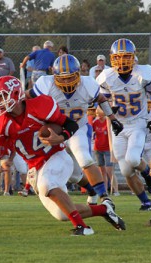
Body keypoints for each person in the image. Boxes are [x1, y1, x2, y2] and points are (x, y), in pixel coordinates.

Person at [0, 76, 125, 235]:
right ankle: (104, 210)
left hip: (56, 156)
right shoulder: (0, 122)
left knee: (48, 184)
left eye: (1, 97)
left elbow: (70, 124)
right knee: (62, 213)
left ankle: (83, 228)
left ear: (16, 94)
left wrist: (61, 137)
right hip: (35, 167)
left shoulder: (40, 105)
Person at [26, 54, 124, 205]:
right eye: (63, 78)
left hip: (78, 128)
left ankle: (105, 197)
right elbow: (27, 98)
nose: (66, 81)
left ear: (78, 74)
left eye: (70, 77)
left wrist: (113, 118)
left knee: (84, 158)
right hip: (55, 131)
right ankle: (91, 190)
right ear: (54, 75)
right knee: (72, 174)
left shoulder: (88, 84)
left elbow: (101, 99)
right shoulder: (46, 83)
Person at [96, 38, 151, 211]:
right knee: (126, 171)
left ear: (133, 57)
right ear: (112, 59)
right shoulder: (106, 78)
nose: (123, 61)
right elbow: (99, 110)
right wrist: (109, 111)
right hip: (118, 126)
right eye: (119, 57)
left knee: (133, 158)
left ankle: (148, 177)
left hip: (137, 123)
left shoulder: (142, 75)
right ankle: (146, 202)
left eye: (126, 57)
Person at [92, 107, 114, 196]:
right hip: (98, 148)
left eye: (100, 115)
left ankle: (115, 190)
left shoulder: (108, 122)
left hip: (107, 149)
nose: (99, 116)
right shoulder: (95, 122)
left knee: (110, 171)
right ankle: (104, 190)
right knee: (102, 171)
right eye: (97, 114)